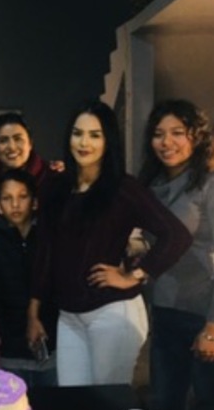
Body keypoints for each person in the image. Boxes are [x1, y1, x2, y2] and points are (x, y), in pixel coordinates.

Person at [27, 99, 192, 387]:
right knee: (75, 402)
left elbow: (176, 235)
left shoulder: (123, 188)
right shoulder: (55, 186)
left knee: (109, 402)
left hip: (112, 312)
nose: (84, 143)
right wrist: (33, 311)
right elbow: (44, 251)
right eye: (78, 133)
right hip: (69, 316)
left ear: (108, 141)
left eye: (95, 135)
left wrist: (134, 275)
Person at [139, 99, 214, 410]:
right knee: (164, 407)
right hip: (164, 311)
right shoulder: (150, 185)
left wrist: (212, 328)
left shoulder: (208, 184)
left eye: (177, 132)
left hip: (202, 312)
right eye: (158, 134)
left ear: (195, 136)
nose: (166, 142)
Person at [0, 168, 57, 387]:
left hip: (51, 347)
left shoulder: (48, 240)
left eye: (22, 197)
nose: (15, 204)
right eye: (7, 198)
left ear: (35, 202)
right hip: (8, 352)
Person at [0, 111, 61, 208]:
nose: (12, 147)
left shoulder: (53, 178)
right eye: (3, 141)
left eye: (18, 139)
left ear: (30, 143)